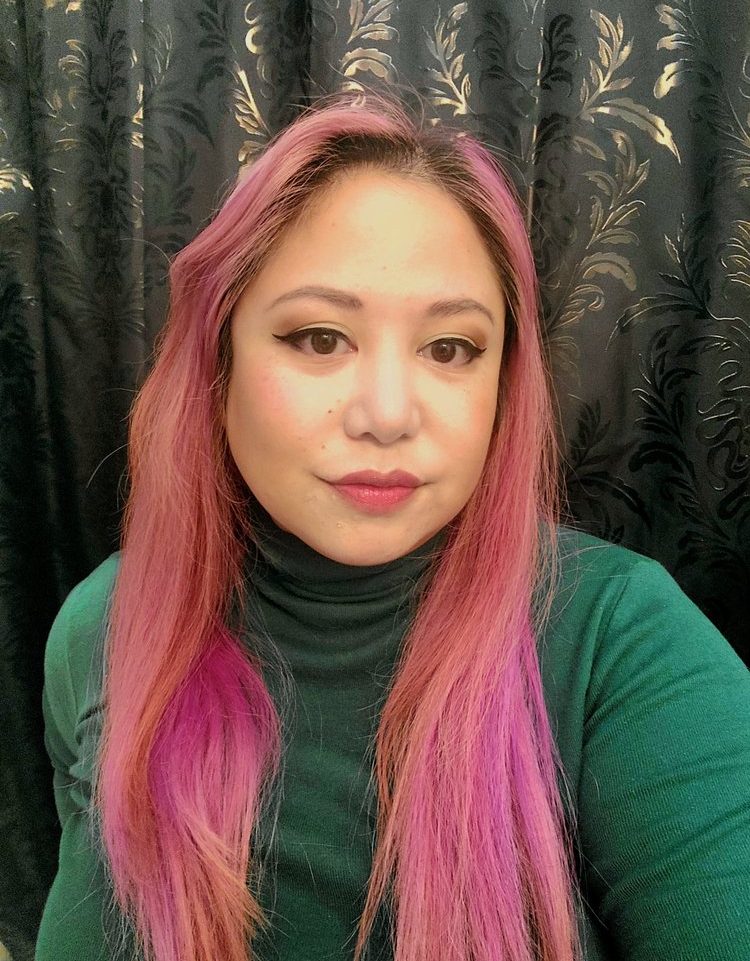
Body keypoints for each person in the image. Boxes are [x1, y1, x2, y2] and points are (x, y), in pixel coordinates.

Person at [36, 94, 750, 961]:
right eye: (319, 337)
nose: (387, 415)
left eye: (450, 349)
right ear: (217, 362)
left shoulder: (623, 641)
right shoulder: (103, 627)